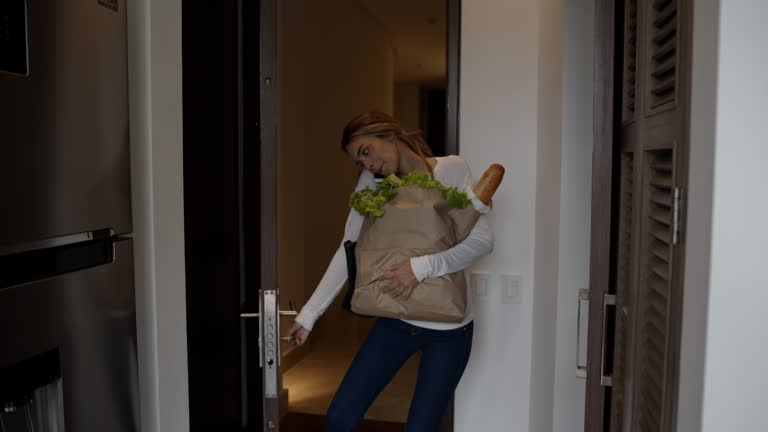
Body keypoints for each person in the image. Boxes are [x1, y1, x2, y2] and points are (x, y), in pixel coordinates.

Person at [288, 111, 493, 431]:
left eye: (366, 151)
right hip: (397, 320)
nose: (367, 164)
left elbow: (482, 242)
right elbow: (348, 250)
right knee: (340, 417)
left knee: (421, 427)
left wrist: (420, 268)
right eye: (359, 160)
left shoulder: (451, 168)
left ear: (388, 134)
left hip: (451, 332)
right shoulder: (372, 185)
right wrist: (309, 315)